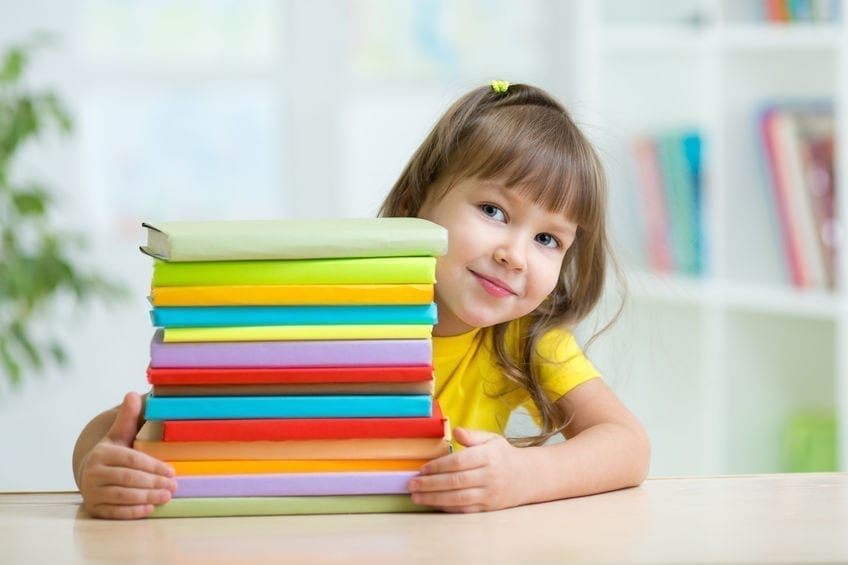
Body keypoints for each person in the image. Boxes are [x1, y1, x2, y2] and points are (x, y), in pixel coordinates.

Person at [72, 81, 650, 519]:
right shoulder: (346, 309)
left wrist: (522, 476)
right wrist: (99, 466)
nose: (515, 254)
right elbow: (146, 419)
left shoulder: (525, 341)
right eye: (494, 211)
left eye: (548, 239)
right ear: (415, 206)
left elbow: (628, 446)